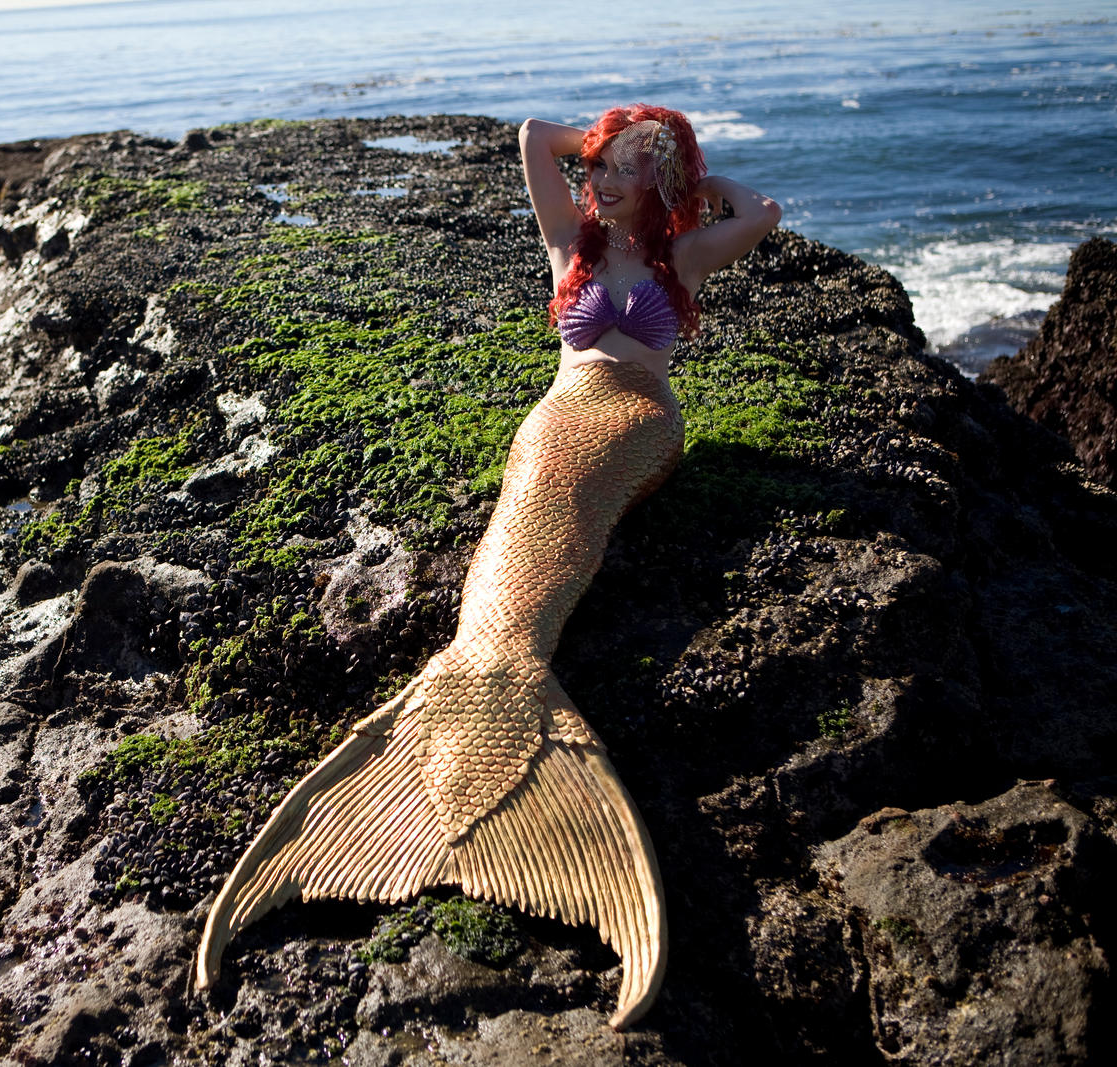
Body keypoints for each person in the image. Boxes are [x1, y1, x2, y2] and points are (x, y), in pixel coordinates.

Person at [196, 105, 780, 1030]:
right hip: (562, 409)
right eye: (604, 169)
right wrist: (606, 147)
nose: (609, 183)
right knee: (540, 464)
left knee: (572, 485)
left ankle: (498, 675)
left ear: (664, 185)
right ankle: (490, 669)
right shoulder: (569, 241)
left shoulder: (682, 257)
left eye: (633, 171)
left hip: (642, 423)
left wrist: (689, 180)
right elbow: (532, 135)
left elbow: (763, 211)